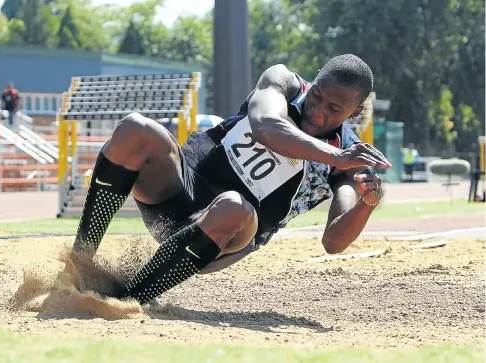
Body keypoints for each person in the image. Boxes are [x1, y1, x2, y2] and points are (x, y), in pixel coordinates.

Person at [72, 54, 391, 305]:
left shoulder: (350, 159)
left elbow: (333, 241)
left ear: (354, 112)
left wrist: (367, 203)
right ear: (314, 81)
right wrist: (333, 154)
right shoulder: (283, 82)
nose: (316, 110)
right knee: (135, 128)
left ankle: (127, 300)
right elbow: (266, 125)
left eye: (333, 108)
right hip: (182, 187)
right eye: (317, 95)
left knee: (233, 206)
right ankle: (79, 260)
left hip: (224, 235)